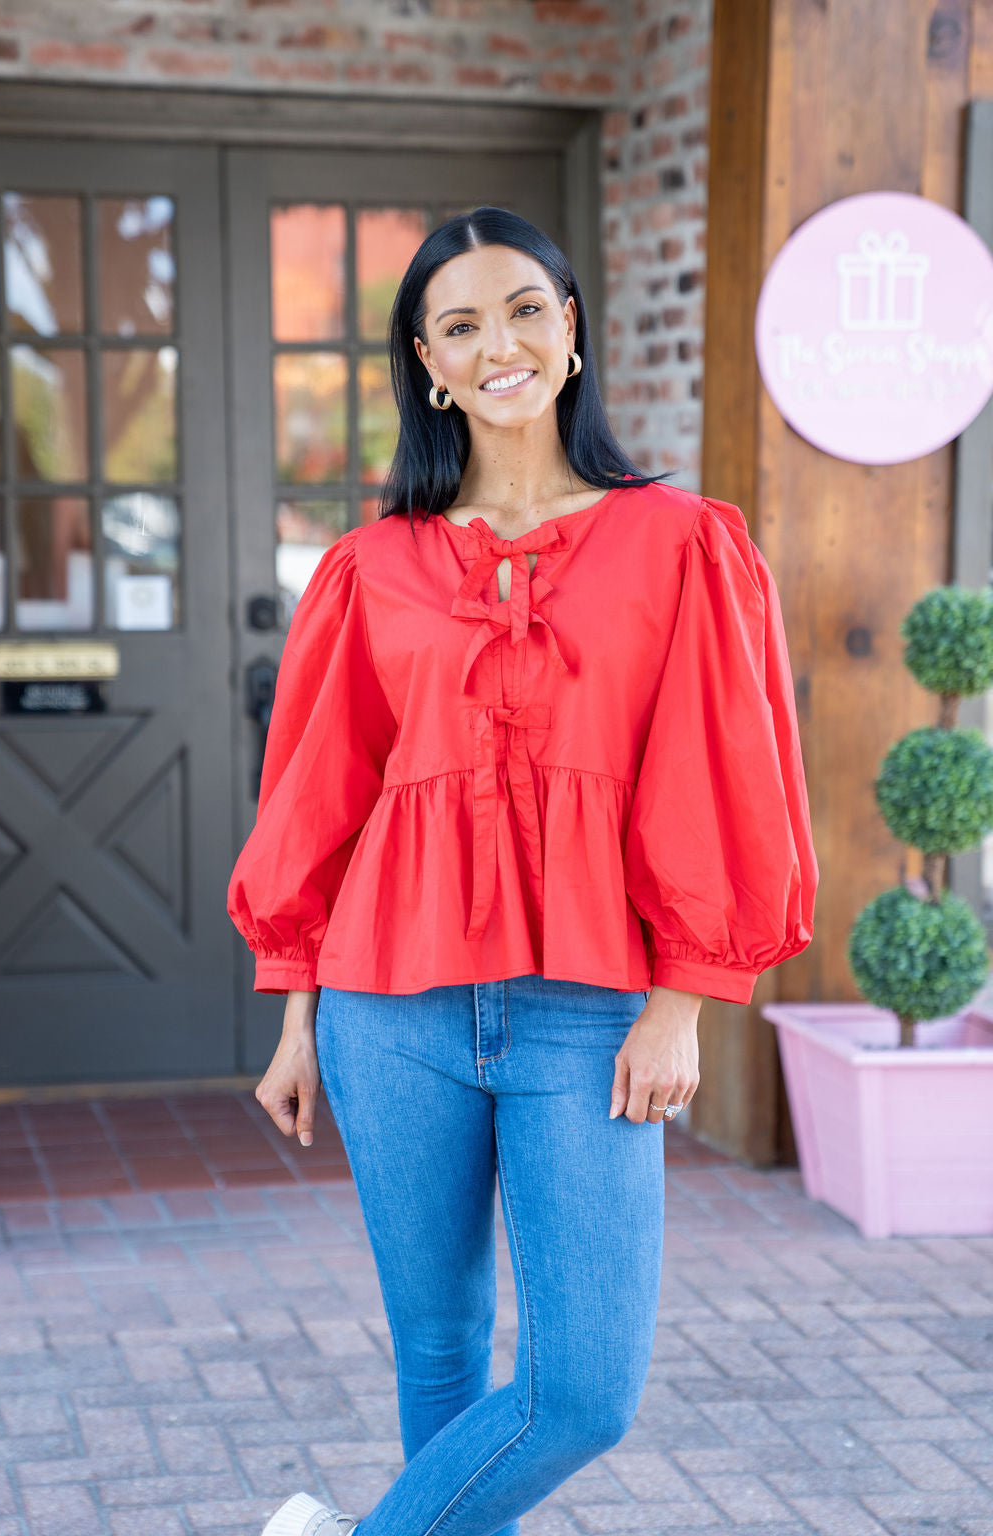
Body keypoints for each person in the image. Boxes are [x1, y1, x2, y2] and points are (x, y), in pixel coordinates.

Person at [227, 205, 818, 1536]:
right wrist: (296, 1012)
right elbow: (320, 797)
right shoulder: (369, 569)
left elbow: (721, 777)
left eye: (523, 310)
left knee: (583, 1392)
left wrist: (683, 997)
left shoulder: (680, 543)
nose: (497, 343)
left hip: (589, 1013)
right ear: (429, 365)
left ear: (570, 330)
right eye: (460, 324)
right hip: (391, 1013)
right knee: (439, 1352)